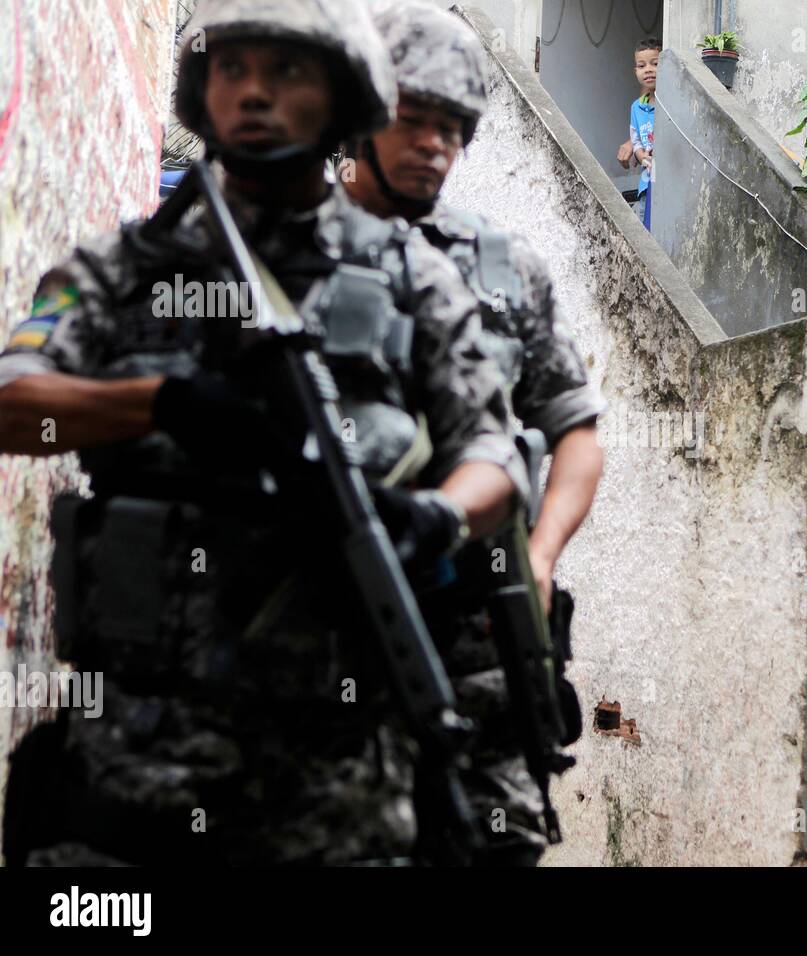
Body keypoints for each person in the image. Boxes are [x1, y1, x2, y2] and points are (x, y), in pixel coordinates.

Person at [0, 0, 525, 866]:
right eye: (231, 69)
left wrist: (434, 518)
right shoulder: (124, 267)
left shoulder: (407, 274)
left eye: (285, 71)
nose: (252, 92)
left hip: (338, 776)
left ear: (344, 97)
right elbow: (16, 402)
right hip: (140, 763)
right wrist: (160, 404)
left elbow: (495, 454)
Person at [345, 0, 605, 866]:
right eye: (413, 121)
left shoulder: (505, 269)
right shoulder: (290, 247)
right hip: (317, 632)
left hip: (475, 632)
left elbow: (574, 431)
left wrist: (539, 554)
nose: (433, 145)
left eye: (453, 129)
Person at [628, 38, 659, 227]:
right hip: (646, 182)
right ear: (636, 71)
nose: (648, 69)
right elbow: (636, 140)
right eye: (642, 65)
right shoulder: (636, 108)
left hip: (665, 180)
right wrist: (642, 157)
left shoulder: (668, 103)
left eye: (655, 64)